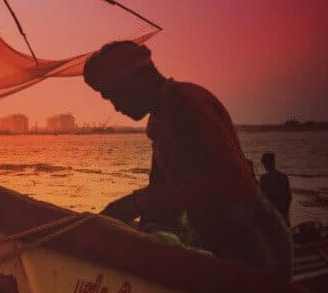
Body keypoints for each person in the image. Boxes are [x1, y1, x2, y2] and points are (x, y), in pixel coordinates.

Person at [83, 41, 292, 278]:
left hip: (255, 240)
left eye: (115, 95)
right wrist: (128, 223)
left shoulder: (188, 100)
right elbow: (159, 191)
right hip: (212, 241)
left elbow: (229, 175)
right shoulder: (157, 124)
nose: (117, 107)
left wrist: (136, 204)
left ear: (139, 78)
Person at [259, 152, 292, 226]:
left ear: (264, 164)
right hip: (282, 213)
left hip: (272, 215)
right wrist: (286, 214)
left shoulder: (264, 178)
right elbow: (289, 197)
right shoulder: (283, 177)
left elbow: (262, 198)